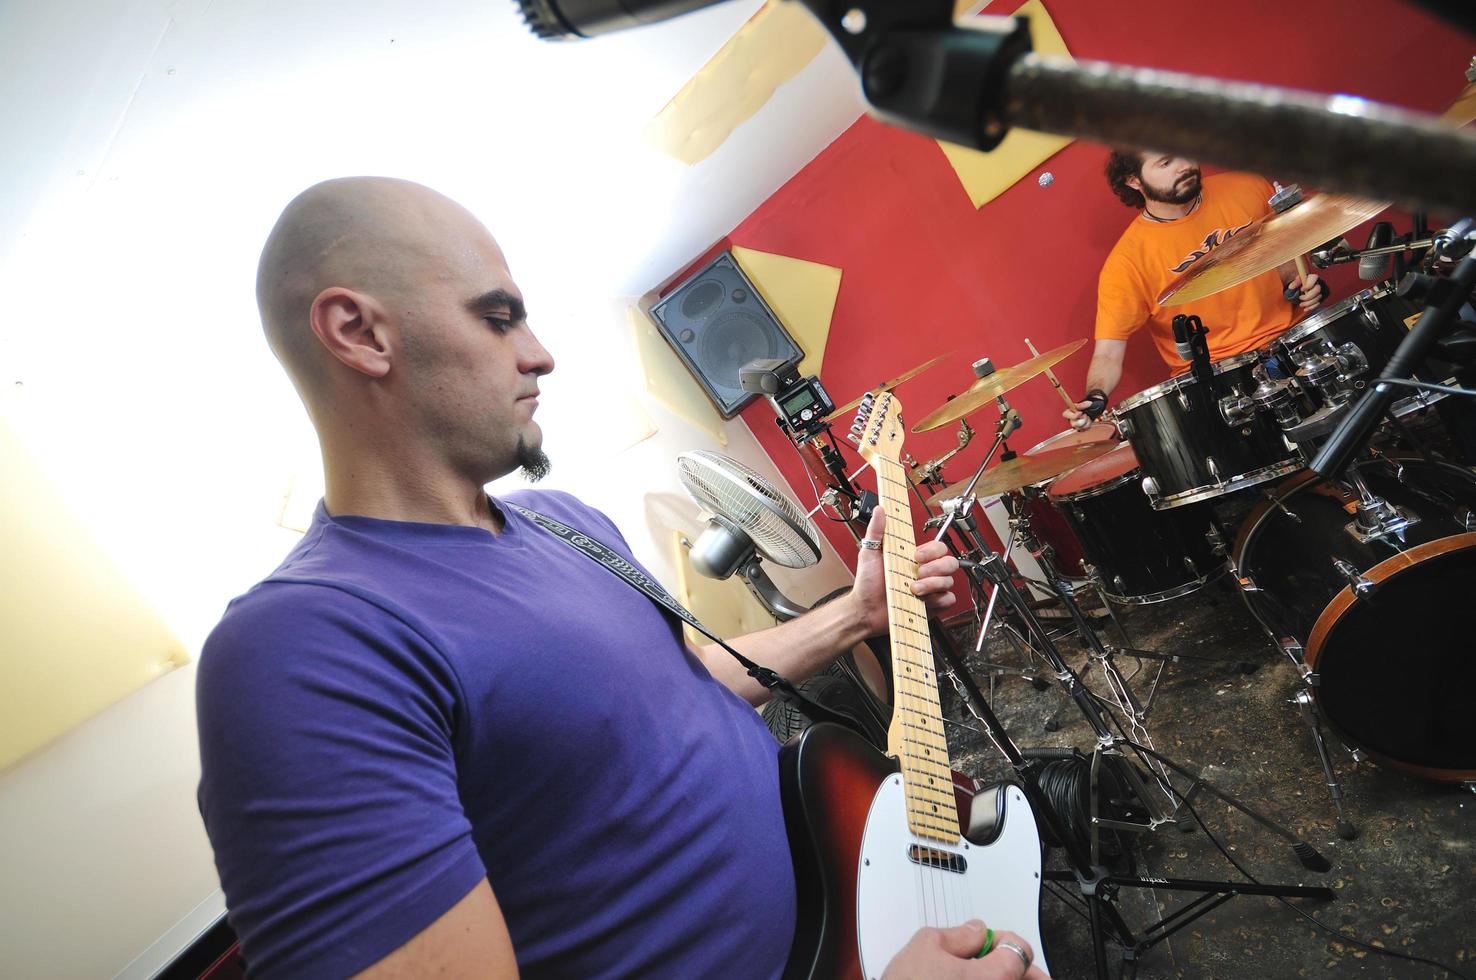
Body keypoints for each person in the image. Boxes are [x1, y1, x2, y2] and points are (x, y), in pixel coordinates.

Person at [195, 176, 1050, 979]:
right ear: (359, 333)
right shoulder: (303, 646)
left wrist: (859, 613)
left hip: (865, 913)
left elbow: (681, 687)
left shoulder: (570, 523)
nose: (541, 355)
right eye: (498, 318)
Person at [1064, 151, 1327, 429]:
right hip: (1222, 377)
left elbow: (1286, 261)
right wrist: (1096, 395)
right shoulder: (1126, 264)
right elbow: (1108, 353)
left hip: (1297, 339)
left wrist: (1300, 287)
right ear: (1134, 181)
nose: (1184, 166)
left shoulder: (1247, 186)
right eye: (1166, 162)